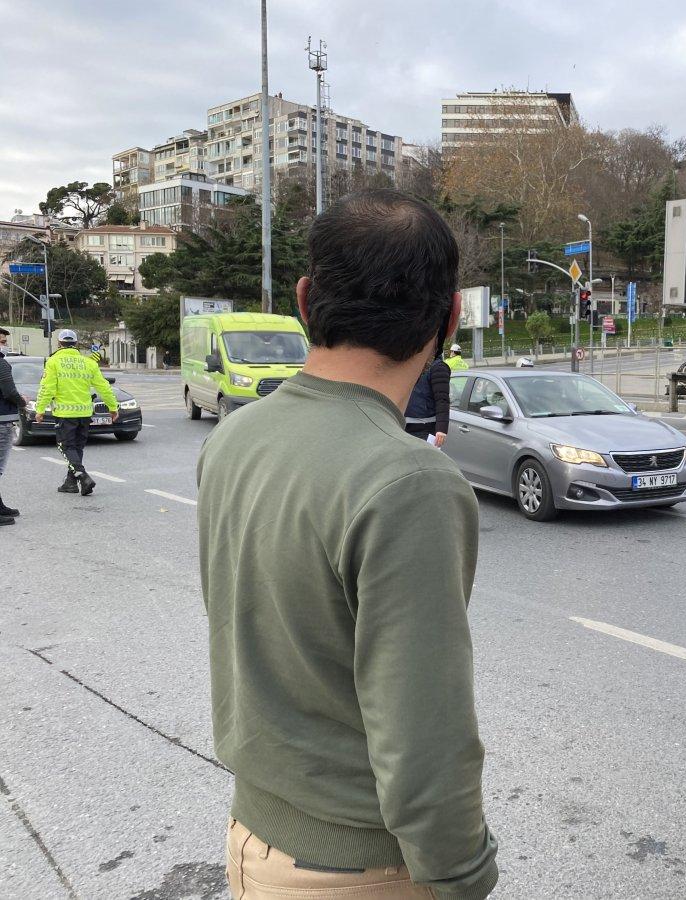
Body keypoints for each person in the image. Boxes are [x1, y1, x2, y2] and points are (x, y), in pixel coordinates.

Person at [197, 190, 498, 900]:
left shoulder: (237, 434)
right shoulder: (408, 481)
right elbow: (424, 730)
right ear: (450, 319)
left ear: (305, 301)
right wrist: (462, 874)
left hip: (257, 835)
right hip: (357, 867)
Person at [34, 329, 119, 497]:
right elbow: (103, 386)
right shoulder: (88, 363)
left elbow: (47, 388)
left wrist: (40, 409)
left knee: (64, 446)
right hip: (85, 413)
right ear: (76, 344)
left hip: (65, 414)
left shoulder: (53, 362)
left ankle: (82, 476)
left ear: (59, 344)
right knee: (77, 447)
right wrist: (113, 407)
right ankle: (70, 483)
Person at [0, 327, 26, 524]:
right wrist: (23, 401)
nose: (5, 345)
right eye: (2, 342)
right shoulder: (1, 365)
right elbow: (9, 392)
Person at [404, 353, 451, 446]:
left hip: (424, 430)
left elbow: (442, 400)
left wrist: (441, 429)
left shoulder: (438, 367)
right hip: (405, 426)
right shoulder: (413, 363)